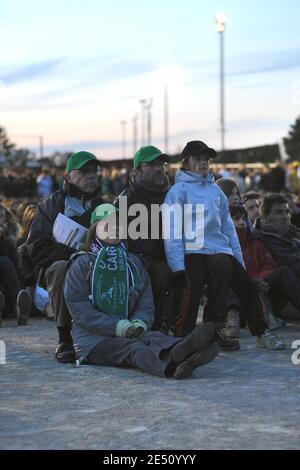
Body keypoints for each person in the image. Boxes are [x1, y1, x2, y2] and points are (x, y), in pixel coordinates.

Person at [64, 203, 219, 379]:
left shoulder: (133, 263)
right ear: (94, 229)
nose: (115, 229)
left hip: (129, 331)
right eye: (107, 225)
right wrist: (118, 327)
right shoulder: (82, 264)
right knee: (134, 349)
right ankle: (174, 365)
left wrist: (139, 323)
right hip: (92, 342)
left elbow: (145, 302)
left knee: (154, 337)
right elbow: (79, 309)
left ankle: (186, 350)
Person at [163, 140, 285, 351]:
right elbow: (171, 231)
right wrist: (177, 267)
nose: (203, 163)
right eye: (198, 159)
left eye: (206, 160)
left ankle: (254, 331)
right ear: (186, 162)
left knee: (243, 283)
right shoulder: (177, 192)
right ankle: (183, 337)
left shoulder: (216, 191)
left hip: (218, 249)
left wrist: (239, 263)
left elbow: (228, 231)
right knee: (191, 288)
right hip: (191, 250)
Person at [25, 151, 105, 362]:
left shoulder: (103, 206)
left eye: (94, 171)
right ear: (68, 176)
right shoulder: (52, 204)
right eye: (83, 171)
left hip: (95, 263)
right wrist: (73, 253)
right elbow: (35, 247)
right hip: (58, 266)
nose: (91, 176)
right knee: (61, 268)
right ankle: (65, 338)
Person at [114, 146, 173, 332]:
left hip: (172, 254)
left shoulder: (173, 195)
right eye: (152, 164)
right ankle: (154, 326)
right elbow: (120, 241)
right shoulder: (125, 200)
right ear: (137, 171)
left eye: (161, 164)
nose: (159, 168)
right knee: (160, 271)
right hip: (141, 260)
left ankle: (179, 323)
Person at [232, 205, 300, 321]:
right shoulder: (224, 245)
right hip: (242, 293)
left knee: (283, 271)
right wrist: (253, 280)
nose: (242, 222)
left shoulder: (254, 242)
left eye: (244, 219)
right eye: (237, 219)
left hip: (265, 286)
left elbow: (269, 265)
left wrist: (261, 278)